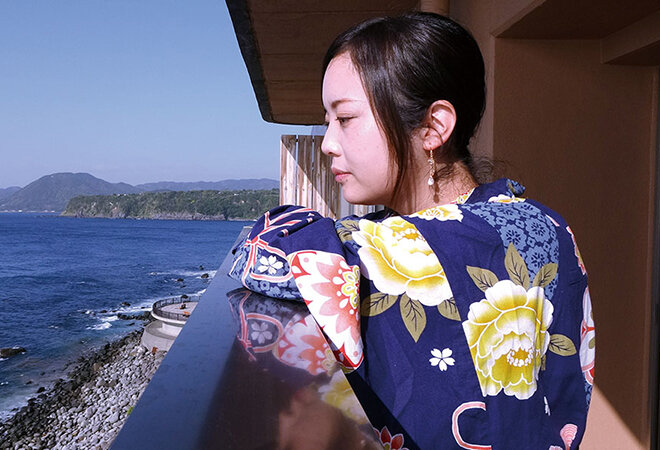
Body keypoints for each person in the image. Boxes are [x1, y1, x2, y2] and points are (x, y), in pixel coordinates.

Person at [229, 12, 593, 449]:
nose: (327, 143)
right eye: (327, 121)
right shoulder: (546, 224)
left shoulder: (405, 249)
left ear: (432, 127)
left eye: (345, 119)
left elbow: (267, 252)